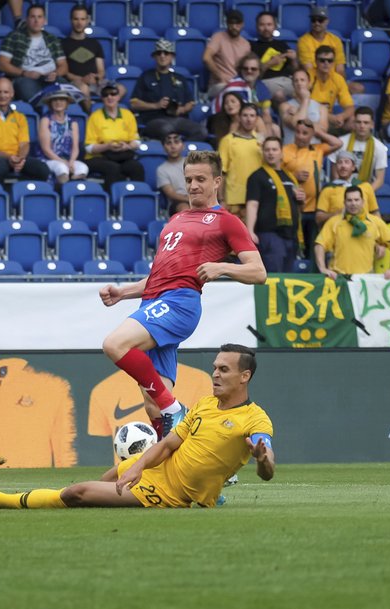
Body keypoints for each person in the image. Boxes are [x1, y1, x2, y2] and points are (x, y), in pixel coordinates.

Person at [0, 344, 274, 509]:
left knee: (78, 493)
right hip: (159, 468)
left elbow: (267, 468)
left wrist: (262, 459)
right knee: (98, 483)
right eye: (214, 367)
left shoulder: (255, 419)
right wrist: (138, 466)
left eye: (224, 369)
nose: (215, 374)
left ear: (244, 376)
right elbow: (168, 444)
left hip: (172, 493)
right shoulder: (204, 404)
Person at [99, 151, 266, 439]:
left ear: (217, 182)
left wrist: (222, 267)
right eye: (188, 180)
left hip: (179, 303)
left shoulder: (226, 221)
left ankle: (175, 409)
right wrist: (123, 292)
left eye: (201, 179)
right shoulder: (175, 221)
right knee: (152, 402)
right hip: (155, 300)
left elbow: (258, 272)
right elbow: (159, 276)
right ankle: (198, 452)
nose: (193, 186)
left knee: (115, 345)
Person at [0, 77, 51, 184]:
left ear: (12, 94)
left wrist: (20, 159)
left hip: (17, 159)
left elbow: (24, 144)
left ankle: (24, 194)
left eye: (6, 92)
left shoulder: (20, 117)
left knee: (42, 170)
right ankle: (3, 196)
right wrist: (9, 158)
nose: (2, 96)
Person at [283, 120, 341, 259]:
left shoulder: (318, 149)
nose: (300, 136)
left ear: (312, 135)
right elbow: (276, 174)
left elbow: (338, 143)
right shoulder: (285, 150)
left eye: (305, 133)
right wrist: (293, 176)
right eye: (298, 132)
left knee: (312, 247)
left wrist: (319, 132)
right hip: (293, 209)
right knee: (294, 246)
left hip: (314, 209)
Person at [246, 136, 305, 272]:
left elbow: (298, 207)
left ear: (281, 153)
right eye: (267, 150)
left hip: (290, 234)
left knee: (288, 277)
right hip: (269, 234)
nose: (271, 153)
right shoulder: (257, 176)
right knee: (275, 275)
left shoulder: (289, 176)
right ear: (263, 152)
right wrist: (250, 230)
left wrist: (301, 198)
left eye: (274, 149)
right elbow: (252, 204)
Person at [130, 39, 208, 142]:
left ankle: (183, 153)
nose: (162, 56)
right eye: (159, 53)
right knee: (167, 131)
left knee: (201, 131)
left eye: (166, 53)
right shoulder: (146, 76)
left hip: (178, 119)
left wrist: (182, 109)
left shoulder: (180, 78)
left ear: (172, 57)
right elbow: (134, 103)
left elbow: (191, 102)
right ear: (154, 56)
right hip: (154, 120)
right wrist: (156, 105)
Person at [315, 187, 390, 278]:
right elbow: (319, 245)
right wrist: (322, 268)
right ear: (344, 203)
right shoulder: (334, 222)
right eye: (349, 200)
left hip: (366, 278)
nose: (353, 203)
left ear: (363, 202)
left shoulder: (375, 222)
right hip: (339, 278)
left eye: (356, 200)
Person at [0, 4, 70, 103]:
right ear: (27, 19)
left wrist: (56, 74)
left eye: (39, 17)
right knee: (38, 101)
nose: (36, 21)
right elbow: (2, 64)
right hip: (25, 78)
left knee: (70, 97)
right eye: (32, 17)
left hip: (51, 78)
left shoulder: (52, 39)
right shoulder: (14, 37)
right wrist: (24, 73)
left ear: (44, 20)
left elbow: (63, 66)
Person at [84, 80, 145, 188]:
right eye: (105, 94)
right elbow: (89, 148)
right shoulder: (95, 117)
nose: (110, 97)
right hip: (99, 156)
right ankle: (112, 201)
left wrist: (128, 146)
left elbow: (136, 141)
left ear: (118, 96)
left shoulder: (128, 114)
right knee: (113, 168)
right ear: (102, 98)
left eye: (113, 93)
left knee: (136, 167)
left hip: (122, 154)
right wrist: (107, 146)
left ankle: (137, 198)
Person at [213, 55, 278, 138]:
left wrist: (268, 134)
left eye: (253, 69)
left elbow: (266, 113)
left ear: (259, 71)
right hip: (233, 123)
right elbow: (235, 118)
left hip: (253, 121)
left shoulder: (261, 87)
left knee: (275, 129)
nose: (249, 71)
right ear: (240, 70)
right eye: (245, 68)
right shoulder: (234, 86)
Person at [62, 5, 111, 112]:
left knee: (120, 89)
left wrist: (96, 77)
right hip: (74, 83)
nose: (79, 23)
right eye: (76, 19)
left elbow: (101, 70)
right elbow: (64, 72)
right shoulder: (63, 44)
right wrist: (81, 79)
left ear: (87, 20)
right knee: (84, 88)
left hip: (94, 82)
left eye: (83, 19)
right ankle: (91, 118)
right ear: (71, 20)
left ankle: (106, 116)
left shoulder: (95, 43)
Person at [219, 103, 264, 216]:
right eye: (245, 115)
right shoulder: (228, 140)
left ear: (257, 119)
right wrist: (221, 199)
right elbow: (221, 172)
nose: (248, 119)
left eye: (252, 116)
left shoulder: (262, 142)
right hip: (235, 200)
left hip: (259, 198)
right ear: (239, 117)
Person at [316, 151, 381, 228]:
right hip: (338, 230)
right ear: (336, 167)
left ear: (353, 167)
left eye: (347, 162)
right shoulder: (328, 190)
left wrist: (378, 229)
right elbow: (318, 218)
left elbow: (375, 212)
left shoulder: (366, 187)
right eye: (340, 163)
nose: (343, 166)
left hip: (365, 229)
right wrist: (335, 214)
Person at [37, 87, 89, 184]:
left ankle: (73, 191)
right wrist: (63, 162)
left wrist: (72, 161)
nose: (58, 102)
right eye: (55, 100)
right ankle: (62, 193)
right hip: (48, 159)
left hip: (68, 159)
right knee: (62, 168)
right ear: (50, 103)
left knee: (83, 168)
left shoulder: (73, 122)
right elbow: (46, 150)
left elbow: (75, 148)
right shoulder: (45, 120)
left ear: (67, 103)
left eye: (62, 99)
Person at [331, 107, 388, 191]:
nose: (362, 126)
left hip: (366, 190)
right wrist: (343, 190)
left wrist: (365, 193)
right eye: (359, 122)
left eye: (366, 123)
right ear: (354, 123)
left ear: (372, 124)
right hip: (341, 189)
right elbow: (334, 172)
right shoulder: (340, 142)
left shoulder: (380, 147)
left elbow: (380, 179)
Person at [203, 9, 252, 98]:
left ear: (242, 24)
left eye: (237, 24)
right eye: (231, 23)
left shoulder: (246, 44)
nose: (234, 26)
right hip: (219, 84)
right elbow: (206, 57)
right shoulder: (218, 37)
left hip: (239, 84)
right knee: (234, 94)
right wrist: (220, 76)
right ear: (227, 23)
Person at [250, 11, 297, 102]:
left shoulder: (282, 44)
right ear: (257, 27)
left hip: (287, 81)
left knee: (303, 91)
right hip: (266, 82)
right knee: (279, 94)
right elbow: (252, 75)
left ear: (274, 26)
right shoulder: (252, 47)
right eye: (262, 25)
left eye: (269, 24)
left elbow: (295, 71)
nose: (266, 28)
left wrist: (294, 60)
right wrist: (269, 63)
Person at [309, 45, 354, 132]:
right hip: (312, 117)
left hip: (330, 117)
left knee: (353, 121)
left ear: (334, 62)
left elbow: (350, 107)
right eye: (322, 60)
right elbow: (307, 106)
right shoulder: (308, 77)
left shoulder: (338, 79)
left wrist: (341, 117)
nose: (326, 64)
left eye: (330, 61)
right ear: (316, 61)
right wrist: (330, 117)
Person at [280, 68, 327, 144]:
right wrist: (305, 100)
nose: (299, 83)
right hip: (291, 152)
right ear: (293, 84)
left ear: (309, 83)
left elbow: (322, 133)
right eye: (296, 80)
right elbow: (295, 124)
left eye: (302, 80)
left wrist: (297, 114)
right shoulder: (285, 106)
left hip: (312, 152)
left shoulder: (321, 108)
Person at [297, 6, 348, 76]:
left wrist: (338, 84)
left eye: (320, 20)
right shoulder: (303, 41)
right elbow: (308, 69)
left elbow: (340, 68)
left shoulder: (336, 40)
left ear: (327, 21)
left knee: (357, 87)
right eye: (313, 20)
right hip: (313, 80)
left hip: (333, 78)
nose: (317, 23)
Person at [156, 132, 189, 215]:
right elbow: (171, 194)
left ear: (183, 145)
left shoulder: (192, 163)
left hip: (199, 198)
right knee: (185, 209)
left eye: (176, 142)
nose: (173, 146)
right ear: (164, 147)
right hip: (178, 203)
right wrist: (191, 199)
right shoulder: (162, 169)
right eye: (169, 143)